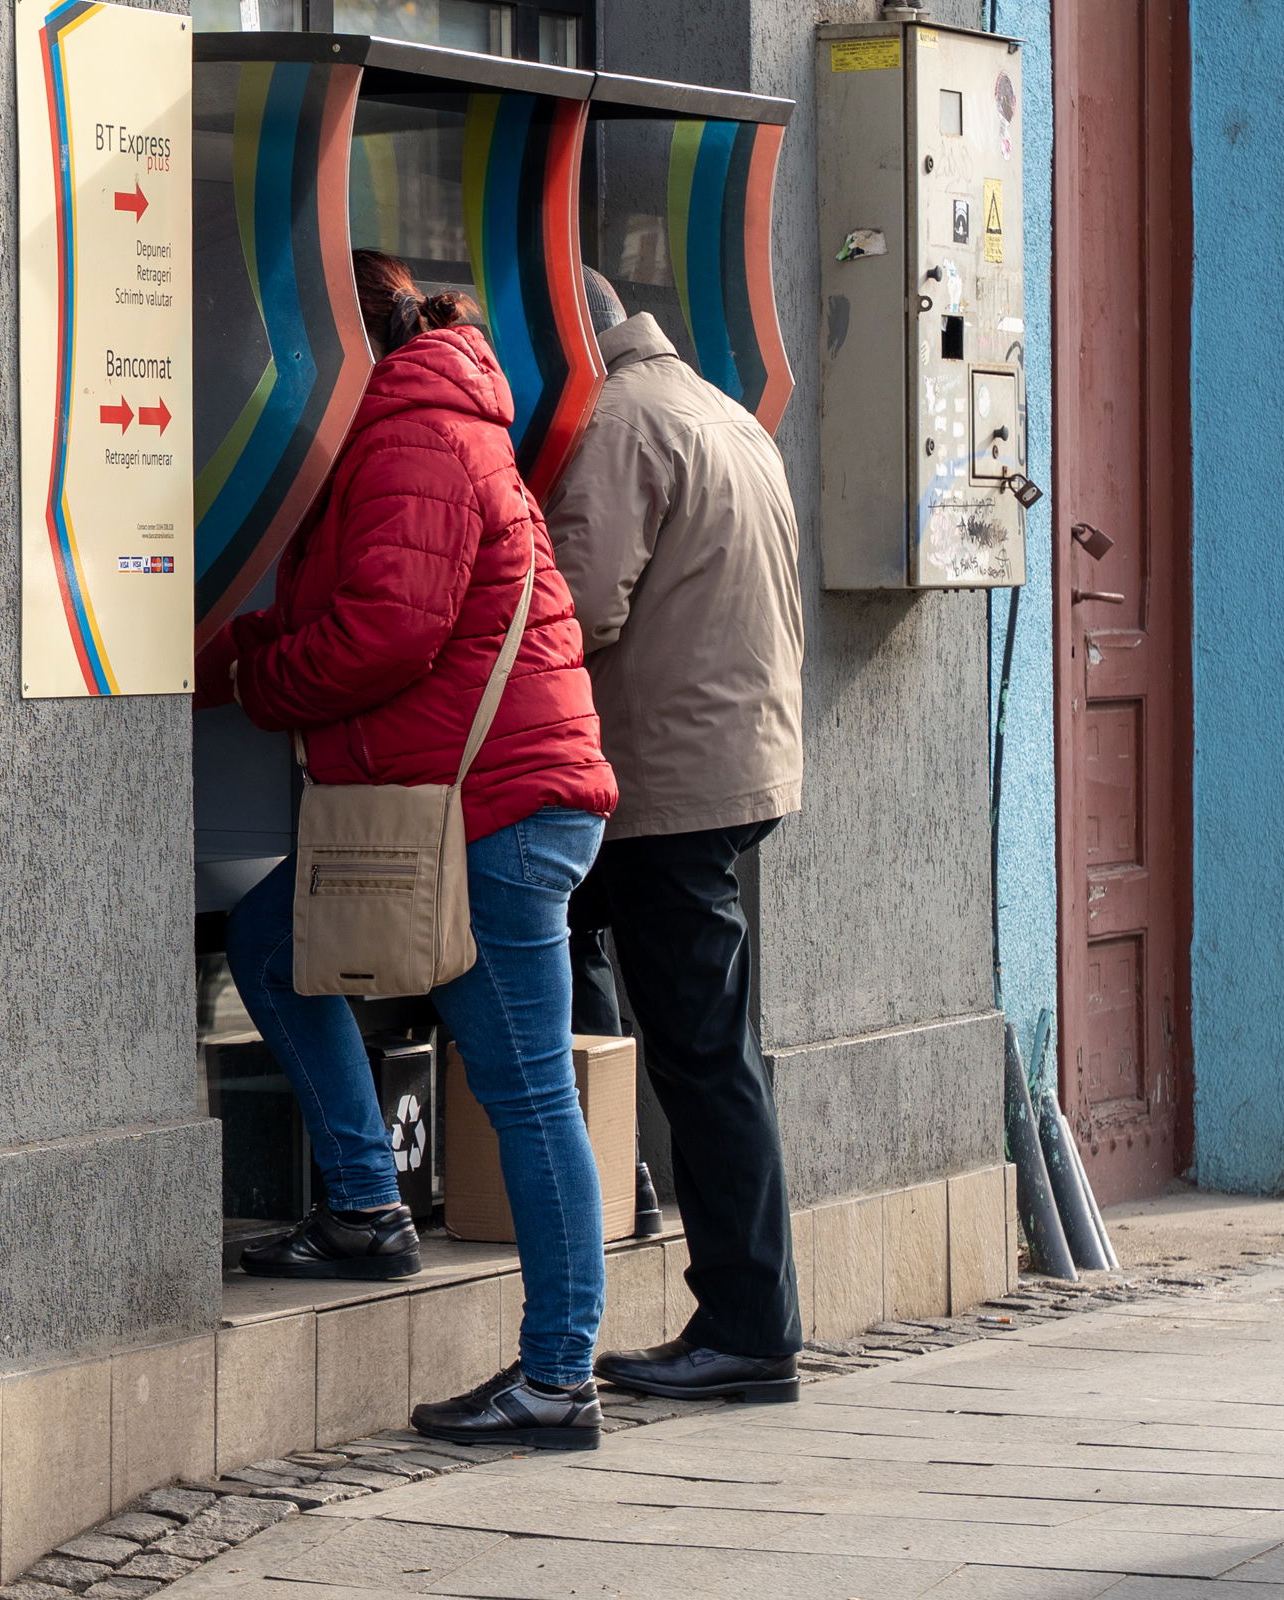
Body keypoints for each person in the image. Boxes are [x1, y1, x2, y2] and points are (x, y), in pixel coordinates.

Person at [197, 250, 619, 1449]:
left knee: (531, 1093)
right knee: (272, 945)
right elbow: (359, 591)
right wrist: (226, 654)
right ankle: (366, 1204)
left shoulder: (412, 435)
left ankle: (557, 1376)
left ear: (350, 343)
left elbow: (386, 629)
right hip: (486, 799)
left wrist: (262, 682)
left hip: (493, 809)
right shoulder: (423, 421)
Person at [543, 269, 807, 1404]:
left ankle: (751, 1323)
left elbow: (578, 599)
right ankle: (619, 1183)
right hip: (731, 766)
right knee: (583, 947)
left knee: (704, 1052)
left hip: (665, 780)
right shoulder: (719, 410)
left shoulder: (621, 422)